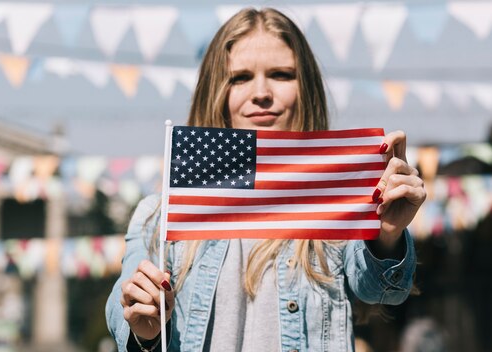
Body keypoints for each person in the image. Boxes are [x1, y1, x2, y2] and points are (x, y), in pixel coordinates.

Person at [106, 7, 425, 352]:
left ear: (307, 88)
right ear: (217, 91)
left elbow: (381, 290)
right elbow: (122, 314)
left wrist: (388, 236)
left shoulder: (340, 198)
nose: (261, 92)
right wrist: (144, 328)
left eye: (281, 74)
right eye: (240, 77)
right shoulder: (159, 213)